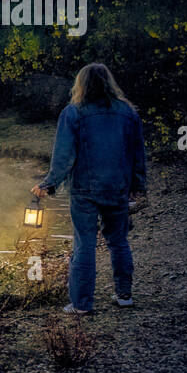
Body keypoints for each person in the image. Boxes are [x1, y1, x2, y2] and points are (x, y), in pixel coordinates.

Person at [31, 63, 147, 314]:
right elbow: (138, 153)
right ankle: (124, 295)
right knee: (118, 241)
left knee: (84, 244)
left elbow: (64, 156)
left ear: (80, 84)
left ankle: (82, 304)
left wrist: (48, 184)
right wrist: (138, 185)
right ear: (109, 83)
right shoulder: (128, 113)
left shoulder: (74, 113)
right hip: (118, 187)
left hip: (85, 189)